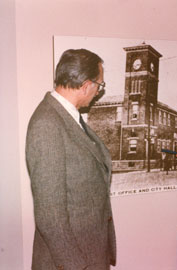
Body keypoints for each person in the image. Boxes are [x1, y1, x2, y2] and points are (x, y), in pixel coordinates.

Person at [26, 49, 116, 270]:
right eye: (100, 86)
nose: (98, 92)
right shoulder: (47, 124)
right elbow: (49, 215)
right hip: (71, 263)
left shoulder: (68, 117)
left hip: (88, 253)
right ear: (86, 85)